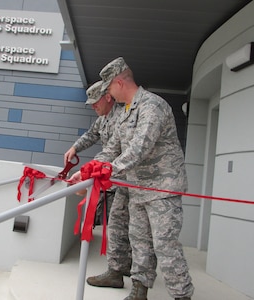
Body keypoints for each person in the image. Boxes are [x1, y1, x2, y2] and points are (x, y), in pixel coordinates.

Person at [70, 57, 194, 300]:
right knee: (140, 243)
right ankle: (138, 292)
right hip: (137, 188)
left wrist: (107, 172)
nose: (108, 95)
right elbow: (112, 149)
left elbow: (139, 148)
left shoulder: (152, 106)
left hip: (162, 190)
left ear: (119, 82)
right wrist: (87, 171)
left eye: (109, 90)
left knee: (165, 246)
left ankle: (182, 296)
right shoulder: (125, 113)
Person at [64, 81, 132, 287]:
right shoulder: (102, 119)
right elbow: (92, 135)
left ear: (108, 97)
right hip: (111, 180)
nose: (93, 106)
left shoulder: (124, 117)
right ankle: (121, 267)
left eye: (95, 102)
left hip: (125, 180)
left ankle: (123, 268)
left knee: (125, 227)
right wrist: (75, 148)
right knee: (119, 226)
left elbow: (114, 151)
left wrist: (88, 171)